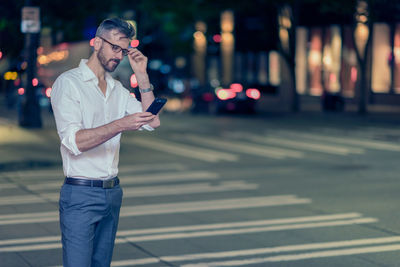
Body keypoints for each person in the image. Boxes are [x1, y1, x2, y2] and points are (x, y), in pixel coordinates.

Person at [51, 18, 160, 267]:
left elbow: (152, 121)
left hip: (112, 193)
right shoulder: (69, 84)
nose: (119, 55)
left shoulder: (116, 89)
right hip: (80, 194)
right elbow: (74, 141)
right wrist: (121, 124)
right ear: (97, 42)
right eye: (115, 48)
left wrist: (142, 75)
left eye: (124, 50)